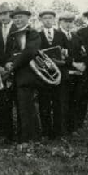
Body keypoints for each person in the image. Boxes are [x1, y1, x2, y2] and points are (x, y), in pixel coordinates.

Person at [3, 6, 42, 145]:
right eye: (15, 18)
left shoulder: (33, 33)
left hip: (28, 75)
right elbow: (10, 53)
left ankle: (29, 139)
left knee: (26, 107)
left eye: (20, 17)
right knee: (21, 107)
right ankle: (25, 137)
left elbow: (29, 52)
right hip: (16, 76)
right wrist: (8, 62)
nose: (17, 20)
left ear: (27, 18)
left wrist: (13, 64)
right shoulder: (13, 34)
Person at [38, 10, 70, 139]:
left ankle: (59, 131)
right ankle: (46, 131)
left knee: (59, 103)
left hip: (59, 74)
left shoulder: (61, 35)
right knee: (44, 103)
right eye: (45, 18)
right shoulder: (37, 35)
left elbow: (68, 53)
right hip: (44, 74)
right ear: (41, 20)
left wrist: (63, 58)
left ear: (54, 20)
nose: (48, 20)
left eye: (50, 18)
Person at [0, 3, 18, 142]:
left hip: (16, 70)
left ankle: (21, 133)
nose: (3, 17)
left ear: (11, 15)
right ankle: (5, 134)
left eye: (5, 14)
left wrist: (11, 64)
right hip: (1, 72)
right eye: (1, 14)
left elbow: (19, 50)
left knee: (19, 102)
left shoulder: (17, 29)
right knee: (4, 103)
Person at [58, 12, 85, 134]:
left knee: (75, 100)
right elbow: (60, 55)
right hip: (63, 73)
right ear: (60, 22)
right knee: (63, 101)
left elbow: (82, 53)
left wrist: (83, 64)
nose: (68, 24)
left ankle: (72, 128)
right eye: (65, 22)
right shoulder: (57, 36)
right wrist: (74, 64)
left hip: (76, 74)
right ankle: (62, 129)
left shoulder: (76, 37)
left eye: (70, 22)